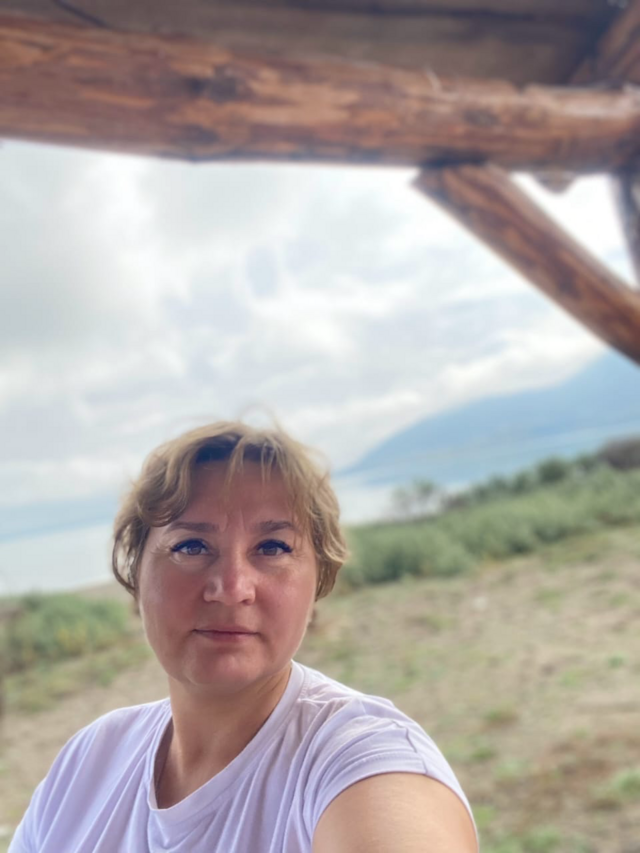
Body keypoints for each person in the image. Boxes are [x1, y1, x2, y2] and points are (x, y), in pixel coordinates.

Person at [10, 421, 479, 853]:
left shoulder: (358, 757)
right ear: (136, 575)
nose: (232, 587)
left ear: (318, 581)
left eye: (272, 547)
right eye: (191, 546)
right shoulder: (88, 763)